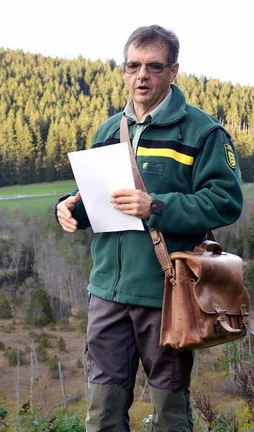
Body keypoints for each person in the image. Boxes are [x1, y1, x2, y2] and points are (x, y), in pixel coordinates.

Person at [55, 25, 243, 431]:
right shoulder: (107, 130)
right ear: (123, 72)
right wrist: (69, 209)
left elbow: (226, 202)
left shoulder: (203, 132)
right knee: (102, 413)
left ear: (173, 71)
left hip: (167, 294)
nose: (142, 75)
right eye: (133, 66)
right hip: (106, 292)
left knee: (170, 413)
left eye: (154, 67)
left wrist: (156, 206)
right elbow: (96, 195)